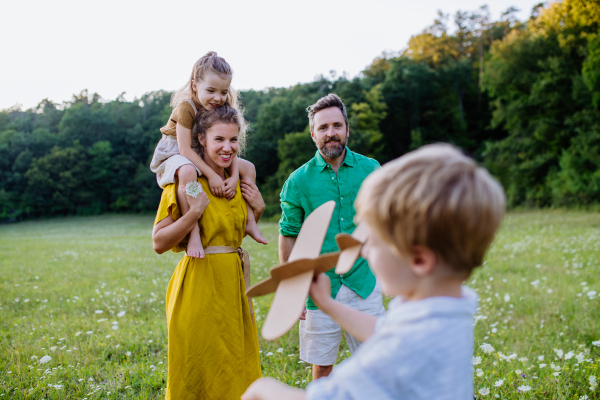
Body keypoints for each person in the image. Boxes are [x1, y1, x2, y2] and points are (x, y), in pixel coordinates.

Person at [242, 143, 506, 400]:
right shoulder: (451, 307)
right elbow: (387, 332)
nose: (364, 252)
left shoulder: (392, 358)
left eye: (373, 242)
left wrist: (264, 389)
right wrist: (326, 303)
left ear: (419, 260)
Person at [152, 106, 263, 399]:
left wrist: (258, 210)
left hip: (234, 290)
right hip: (198, 287)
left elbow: (232, 231)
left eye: (233, 140)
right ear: (200, 138)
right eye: (219, 140)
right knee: (196, 372)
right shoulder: (185, 180)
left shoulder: (236, 181)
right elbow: (159, 242)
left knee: (236, 371)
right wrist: (192, 215)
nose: (227, 148)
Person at [278, 94, 385, 380]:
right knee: (322, 366)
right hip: (319, 285)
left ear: (347, 129)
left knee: (376, 361)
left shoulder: (371, 169)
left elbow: (384, 222)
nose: (331, 133)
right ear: (313, 133)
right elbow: (289, 234)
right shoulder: (298, 181)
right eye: (323, 127)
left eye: (337, 125)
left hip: (364, 281)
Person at [150, 51, 267, 260]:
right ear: (195, 85)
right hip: (176, 151)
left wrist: (232, 178)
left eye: (223, 92)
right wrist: (212, 176)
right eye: (211, 90)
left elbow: (228, 145)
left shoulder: (220, 107)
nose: (218, 98)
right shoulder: (186, 107)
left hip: (197, 151)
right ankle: (194, 231)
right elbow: (185, 150)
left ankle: (250, 222)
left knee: (248, 168)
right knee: (187, 171)